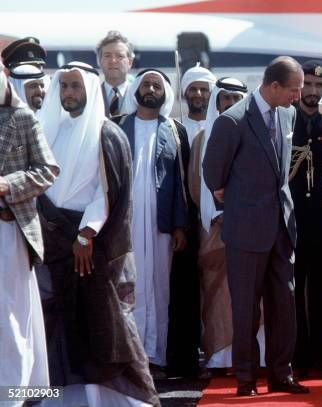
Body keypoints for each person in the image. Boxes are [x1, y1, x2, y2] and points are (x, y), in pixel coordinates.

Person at [36, 61, 159, 406]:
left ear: (90, 89)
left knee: (106, 325)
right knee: (62, 326)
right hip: (56, 246)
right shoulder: (55, 131)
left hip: (92, 248)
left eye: (76, 87)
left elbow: (108, 193)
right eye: (64, 87)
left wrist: (86, 235)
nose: (69, 94)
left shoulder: (107, 133)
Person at [203, 56, 309, 397]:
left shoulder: (288, 113)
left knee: (284, 306)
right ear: (274, 86)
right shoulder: (232, 121)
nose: (298, 97)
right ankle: (246, 380)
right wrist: (231, 196)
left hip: (282, 228)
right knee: (246, 308)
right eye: (293, 90)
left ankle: (281, 374)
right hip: (246, 230)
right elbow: (212, 173)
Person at [114, 68, 190, 377]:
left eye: (156, 85)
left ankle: (155, 358)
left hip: (161, 225)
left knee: (159, 290)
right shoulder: (118, 127)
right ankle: (128, 359)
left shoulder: (174, 130)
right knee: (127, 287)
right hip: (124, 224)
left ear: (165, 93)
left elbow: (182, 184)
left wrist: (180, 226)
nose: (150, 89)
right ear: (136, 88)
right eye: (145, 83)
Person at [187, 76, 253, 375]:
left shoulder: (256, 132)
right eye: (225, 98)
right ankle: (220, 359)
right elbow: (194, 184)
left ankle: (255, 356)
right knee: (216, 295)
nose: (230, 103)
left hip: (251, 225)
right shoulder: (203, 138)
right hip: (214, 227)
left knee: (251, 293)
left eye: (235, 98)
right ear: (217, 102)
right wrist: (217, 213)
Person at [0, 64, 57, 407]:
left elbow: (48, 170)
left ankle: (14, 394)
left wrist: (8, 184)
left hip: (9, 228)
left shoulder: (21, 118)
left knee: (12, 314)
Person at [289, 60, 322, 381]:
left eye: (317, 86)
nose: (311, 92)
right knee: (292, 290)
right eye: (306, 85)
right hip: (291, 219)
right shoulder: (284, 120)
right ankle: (295, 357)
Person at [97, 31, 134, 117]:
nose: (113, 61)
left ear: (130, 62)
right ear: (99, 61)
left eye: (119, 56)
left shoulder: (138, 95)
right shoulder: (92, 96)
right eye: (107, 55)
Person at [180, 63, 217, 145]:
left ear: (211, 94)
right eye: (193, 89)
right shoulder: (175, 127)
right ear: (185, 93)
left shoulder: (219, 126)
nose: (198, 94)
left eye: (203, 90)